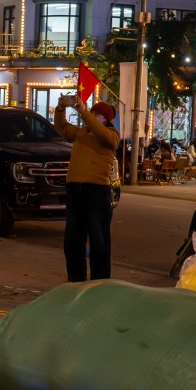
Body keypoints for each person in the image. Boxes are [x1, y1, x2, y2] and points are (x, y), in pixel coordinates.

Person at [54, 95, 120, 282]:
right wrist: (60, 109)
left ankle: (100, 281)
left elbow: (103, 135)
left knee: (99, 241)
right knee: (72, 240)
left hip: (97, 192)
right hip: (76, 190)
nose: (93, 115)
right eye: (93, 112)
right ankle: (76, 278)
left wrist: (83, 112)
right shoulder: (82, 133)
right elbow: (62, 127)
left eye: (97, 113)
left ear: (105, 119)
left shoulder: (111, 134)